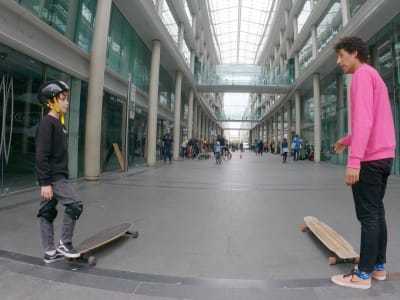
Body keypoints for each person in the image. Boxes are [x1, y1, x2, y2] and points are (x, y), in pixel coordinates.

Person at [331, 37, 396, 289]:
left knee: (368, 216)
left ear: (354, 53)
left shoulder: (360, 77)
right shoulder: (374, 75)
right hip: (384, 156)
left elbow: (365, 119)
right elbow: (374, 121)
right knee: (376, 213)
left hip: (369, 160)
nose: (338, 62)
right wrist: (348, 140)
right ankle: (378, 267)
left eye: (341, 56)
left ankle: (363, 274)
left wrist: (354, 161)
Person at [35, 80, 83, 263]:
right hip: (53, 178)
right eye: (62, 99)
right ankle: (65, 243)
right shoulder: (47, 124)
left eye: (66, 99)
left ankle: (49, 252)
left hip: (57, 175)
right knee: (75, 205)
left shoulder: (59, 124)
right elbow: (41, 155)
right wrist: (45, 182)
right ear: (50, 101)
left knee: (47, 211)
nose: (66, 102)